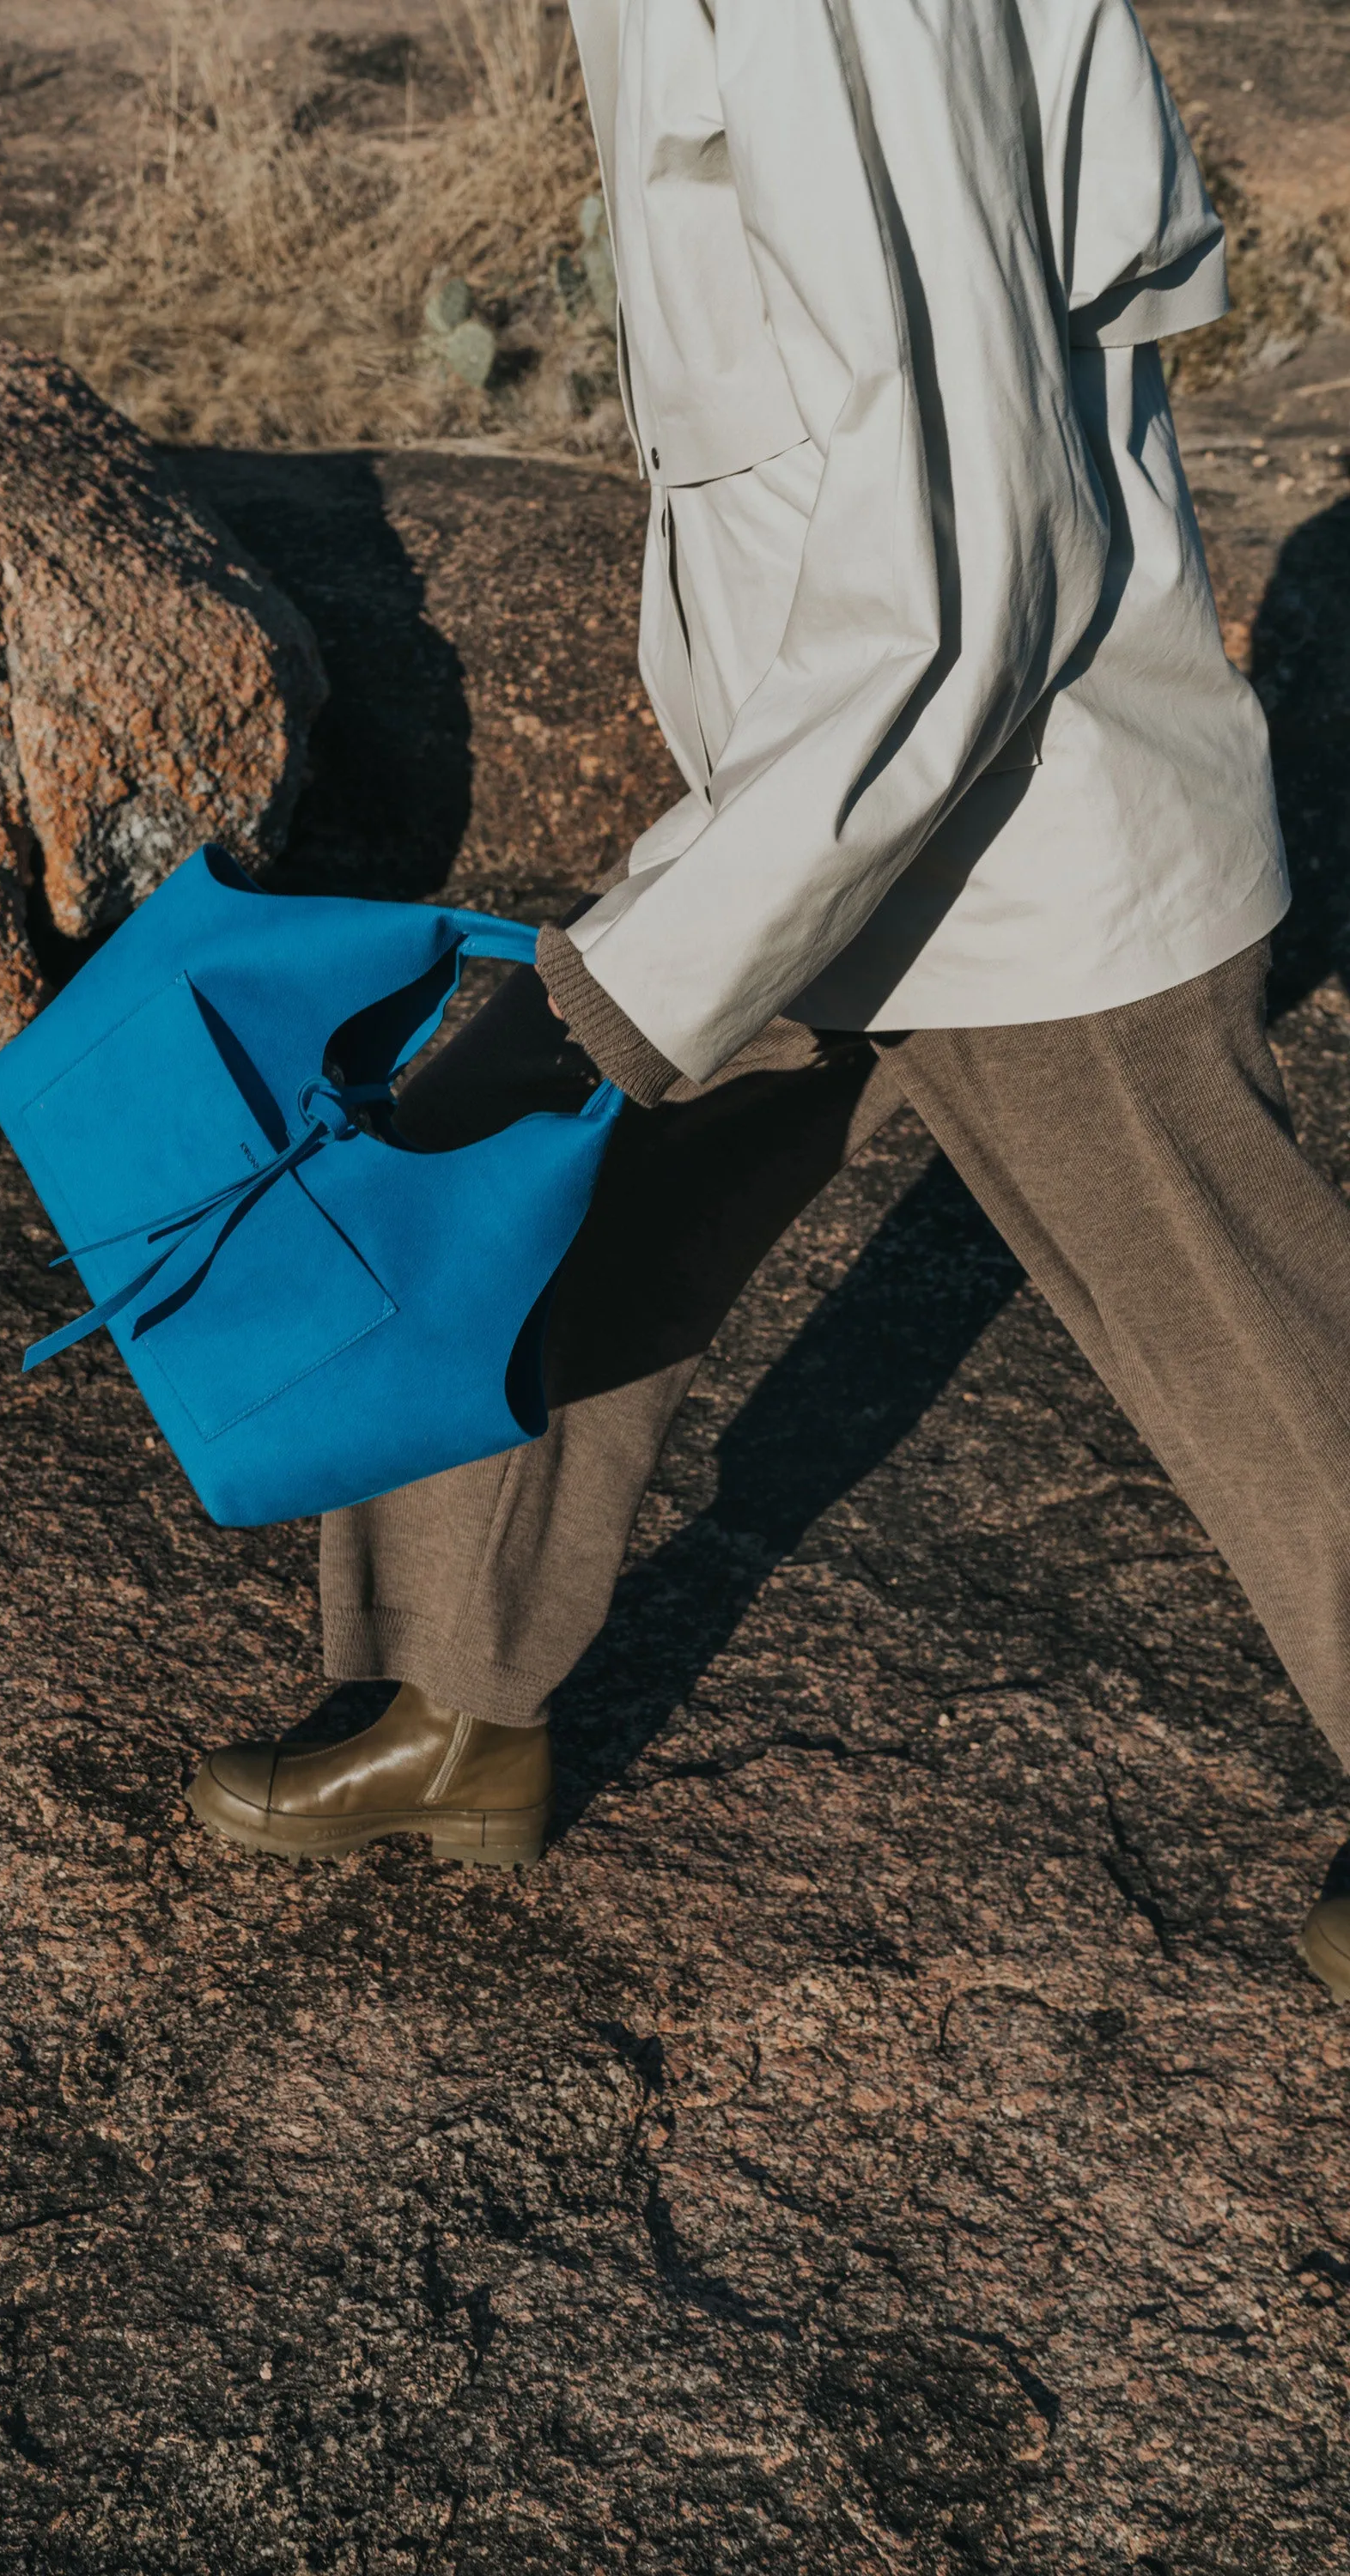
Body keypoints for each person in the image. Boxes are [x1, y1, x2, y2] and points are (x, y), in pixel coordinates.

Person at [185, 0, 1350, 1995]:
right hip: (819, 793)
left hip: (1005, 815)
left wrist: (637, 978)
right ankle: (446, 1703)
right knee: (542, 1200)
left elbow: (966, 536)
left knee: (1238, 1329)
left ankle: (449, 1691)